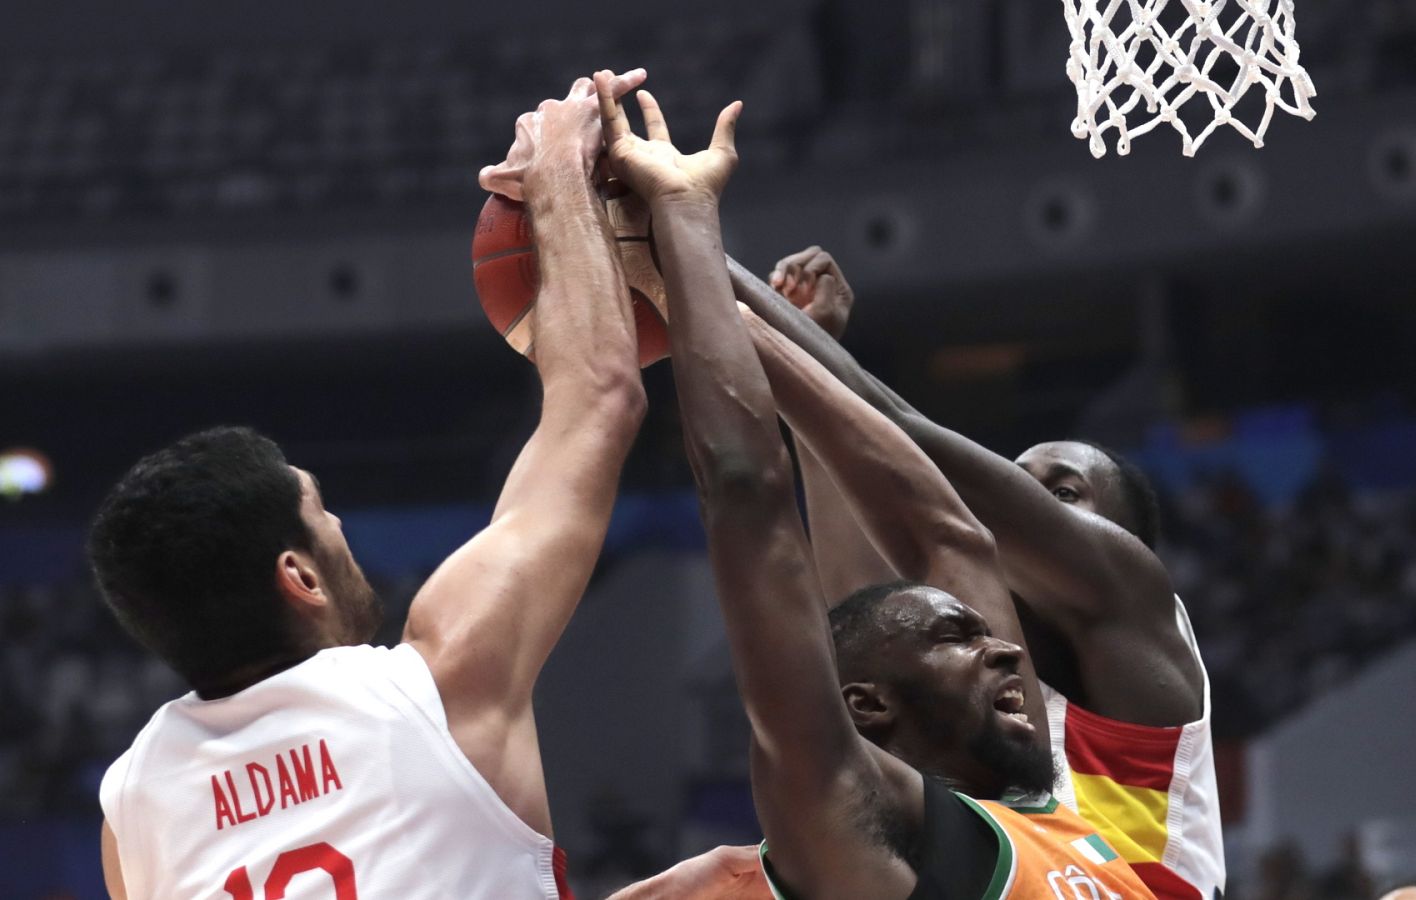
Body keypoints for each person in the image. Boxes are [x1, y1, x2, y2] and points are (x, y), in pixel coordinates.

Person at [88, 73, 675, 899]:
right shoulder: (436, 682)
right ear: (297, 576)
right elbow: (601, 396)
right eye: (321, 515)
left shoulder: (133, 807)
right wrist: (557, 182)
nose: (342, 532)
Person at [594, 68, 1155, 899]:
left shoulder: (1057, 824)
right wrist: (682, 228)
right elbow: (746, 489)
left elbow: (950, 534)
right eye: (953, 639)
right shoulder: (857, 836)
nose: (1003, 645)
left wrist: (712, 283)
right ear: (864, 711)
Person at [731, 247, 1224, 898]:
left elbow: (899, 433)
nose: (1029, 505)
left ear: (1121, 544)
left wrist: (698, 262)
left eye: (1063, 494)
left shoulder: (1131, 599)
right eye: (1017, 486)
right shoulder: (974, 658)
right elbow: (865, 614)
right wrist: (807, 360)